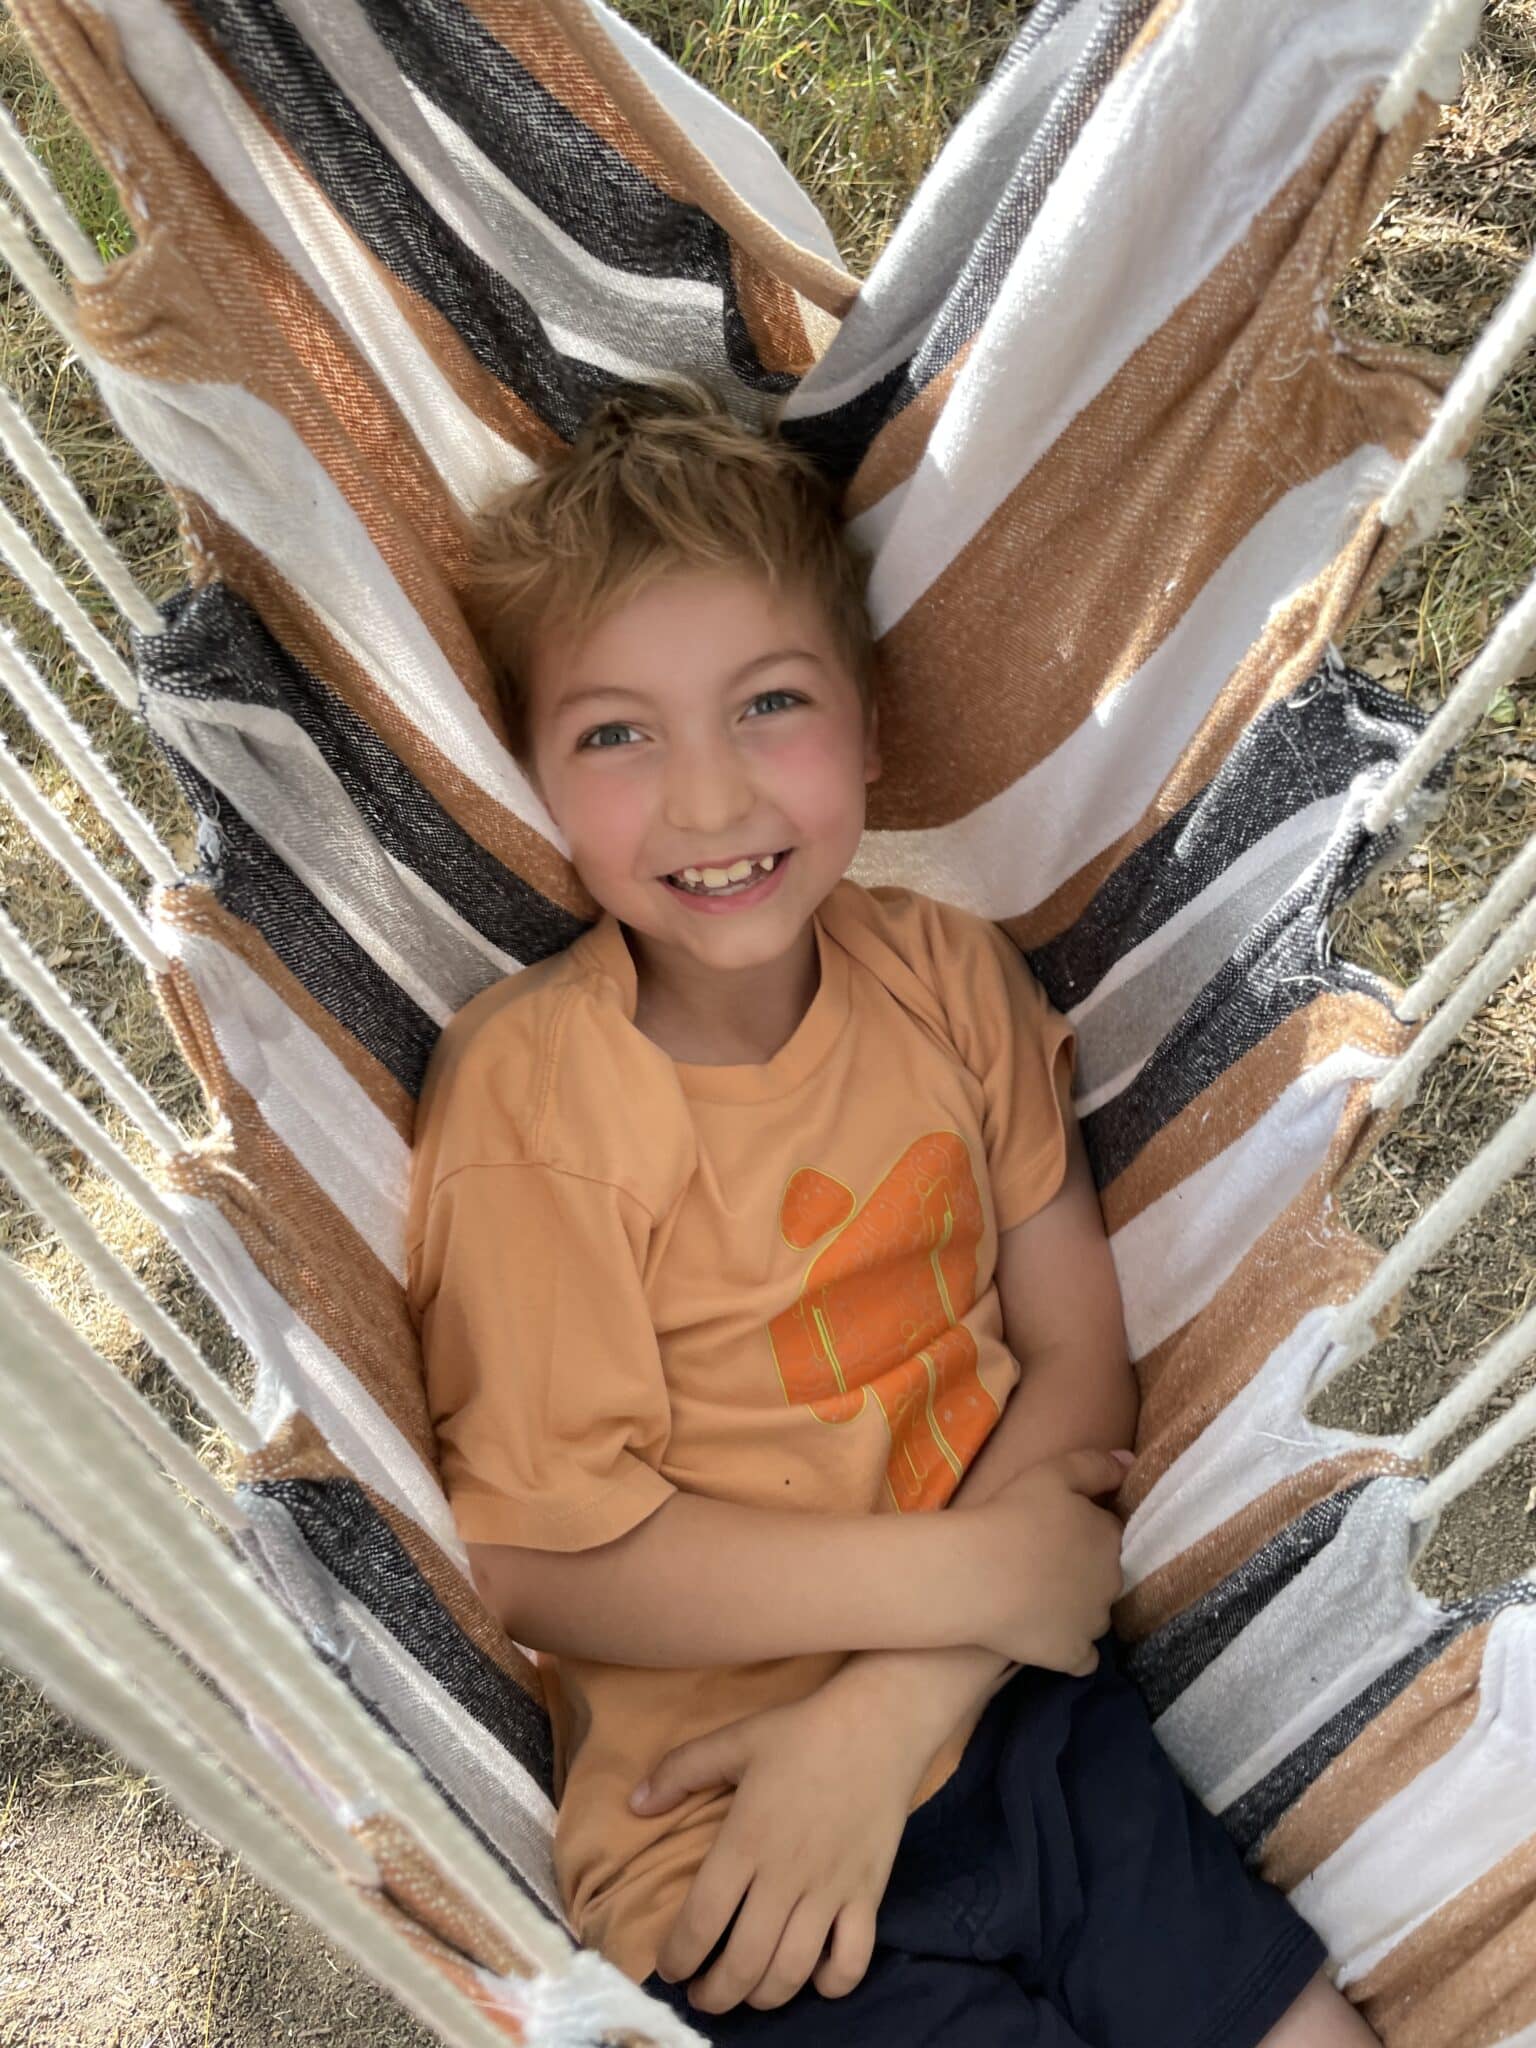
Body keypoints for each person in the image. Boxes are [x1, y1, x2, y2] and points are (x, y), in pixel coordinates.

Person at [406, 380, 1375, 2045]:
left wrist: (905, 1696)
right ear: (539, 783)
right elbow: (548, 1562)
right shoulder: (537, 1101)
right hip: (726, 1860)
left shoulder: (946, 982)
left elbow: (1077, 1348)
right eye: (615, 733)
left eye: (766, 704)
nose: (708, 803)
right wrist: (975, 1587)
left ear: (867, 727)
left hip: (1033, 1727)